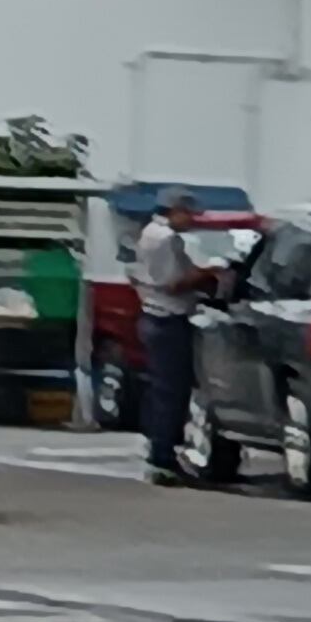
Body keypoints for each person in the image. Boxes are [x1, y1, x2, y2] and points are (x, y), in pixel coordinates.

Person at [131, 190, 219, 482]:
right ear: (174, 210)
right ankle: (163, 456)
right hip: (167, 319)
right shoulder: (165, 239)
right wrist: (211, 273)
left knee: (162, 389)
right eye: (188, 213)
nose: (192, 220)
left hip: (153, 317)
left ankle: (159, 448)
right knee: (172, 391)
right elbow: (172, 284)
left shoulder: (150, 233)